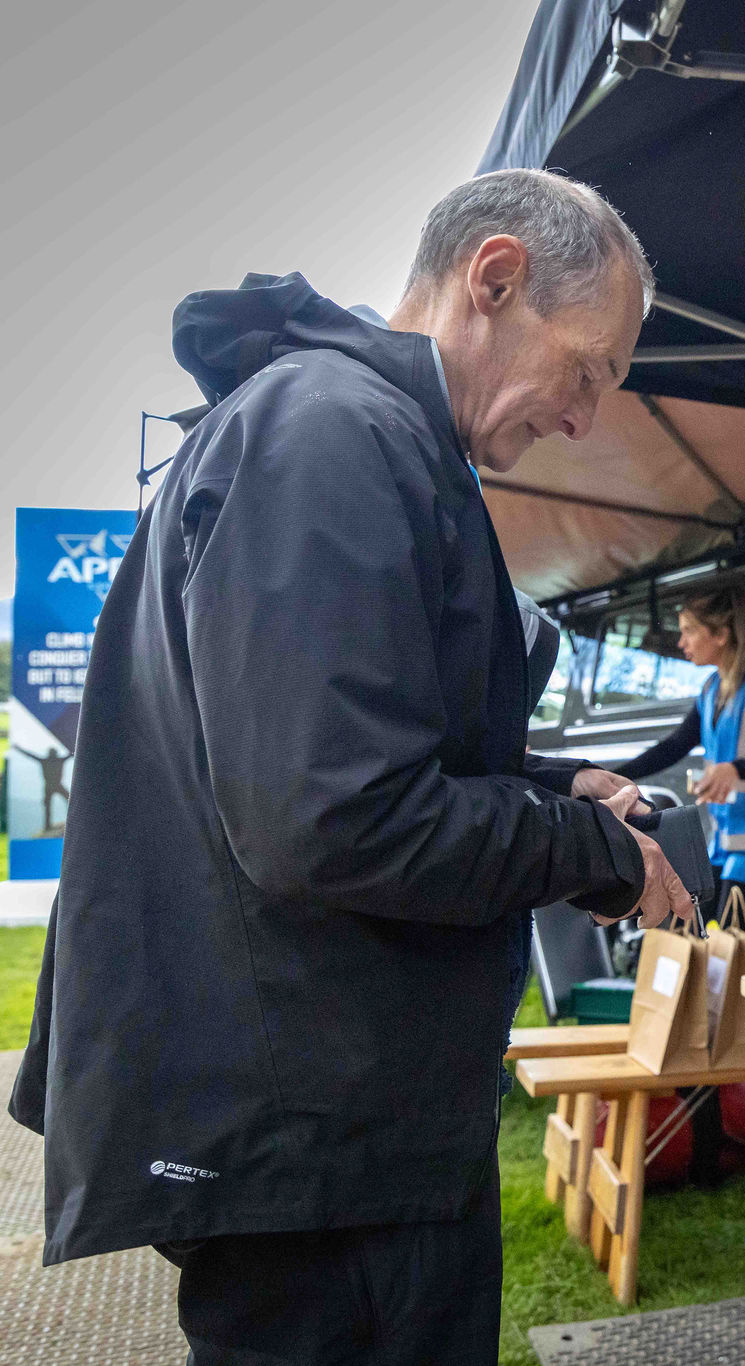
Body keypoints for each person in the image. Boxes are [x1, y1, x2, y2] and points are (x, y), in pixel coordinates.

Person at [9, 168, 696, 1366]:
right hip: (321, 1142)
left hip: (335, 1124)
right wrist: (590, 849)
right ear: (495, 278)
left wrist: (546, 785)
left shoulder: (357, 433)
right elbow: (328, 816)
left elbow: (341, 749)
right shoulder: (332, 434)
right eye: (588, 370)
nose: (586, 418)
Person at [615, 586, 745, 926]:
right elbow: (674, 746)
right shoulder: (712, 688)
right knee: (689, 919)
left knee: (731, 942)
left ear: (722, 634)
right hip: (730, 841)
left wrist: (736, 769)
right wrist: (611, 776)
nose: (681, 643)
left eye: (689, 631)